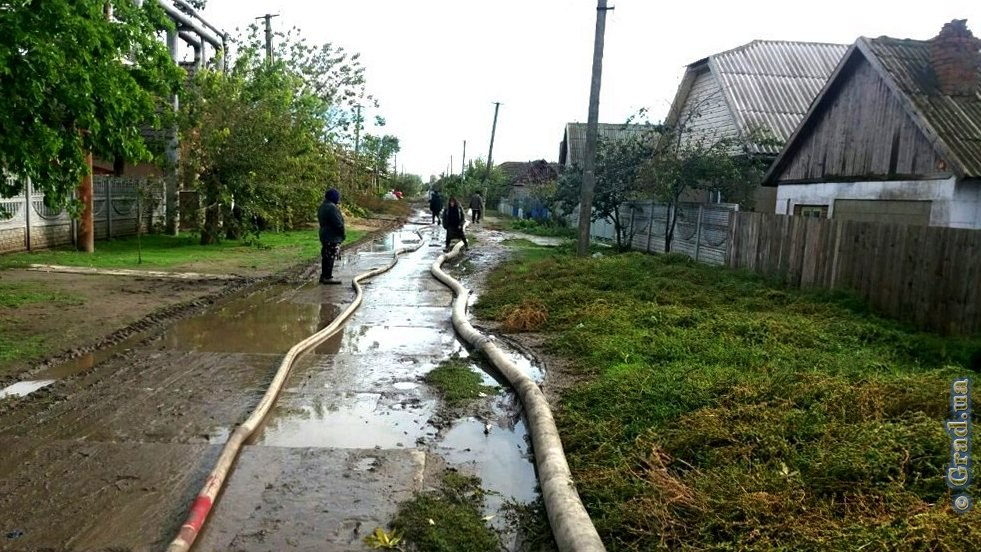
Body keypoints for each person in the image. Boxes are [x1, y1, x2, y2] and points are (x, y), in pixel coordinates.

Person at [318, 187, 345, 285]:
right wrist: (342, 233)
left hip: (324, 234)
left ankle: (324, 275)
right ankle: (327, 277)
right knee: (330, 255)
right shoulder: (332, 207)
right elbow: (338, 223)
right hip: (331, 235)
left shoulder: (323, 206)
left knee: (326, 255)